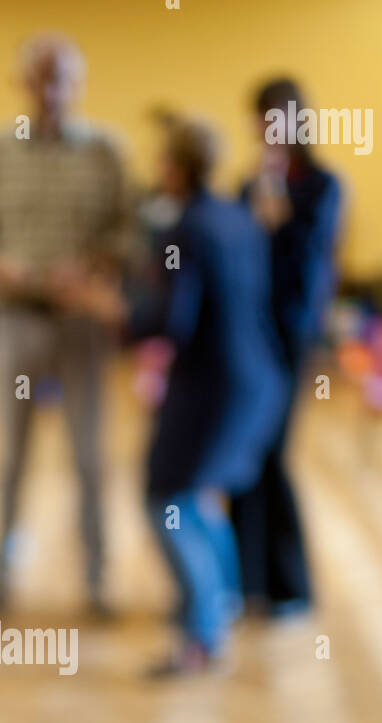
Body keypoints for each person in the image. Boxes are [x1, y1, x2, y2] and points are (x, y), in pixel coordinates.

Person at [77, 118, 287, 674]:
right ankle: (221, 604)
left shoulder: (186, 229)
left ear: (176, 166)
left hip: (212, 384)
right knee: (198, 497)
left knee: (165, 500)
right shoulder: (239, 218)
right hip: (257, 377)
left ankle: (202, 636)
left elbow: (171, 319)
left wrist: (106, 306)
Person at [0, 33, 128, 615]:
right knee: (9, 458)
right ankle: (0, 580)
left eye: (62, 78)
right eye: (41, 77)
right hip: (15, 325)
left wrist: (87, 268)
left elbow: (126, 234)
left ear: (77, 85)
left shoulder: (106, 151)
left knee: (89, 458)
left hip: (81, 326)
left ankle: (97, 582)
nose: (52, 90)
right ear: (24, 82)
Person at [231, 77, 342, 615]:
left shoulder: (323, 185)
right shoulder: (248, 184)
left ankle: (291, 586)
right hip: (246, 339)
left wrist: (275, 210)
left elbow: (307, 256)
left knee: (273, 455)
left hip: (290, 337)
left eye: (276, 116)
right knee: (241, 456)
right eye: (261, 119)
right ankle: (244, 581)